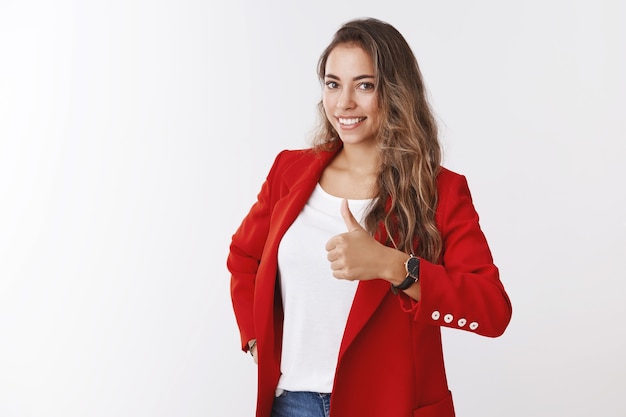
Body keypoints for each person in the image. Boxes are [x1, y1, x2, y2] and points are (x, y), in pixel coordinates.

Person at [227, 17, 512, 417]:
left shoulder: (440, 191)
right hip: (289, 403)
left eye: (365, 85)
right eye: (333, 83)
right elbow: (244, 258)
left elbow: (492, 310)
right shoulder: (288, 172)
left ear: (395, 92)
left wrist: (394, 266)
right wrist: (256, 339)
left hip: (389, 406)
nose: (344, 102)